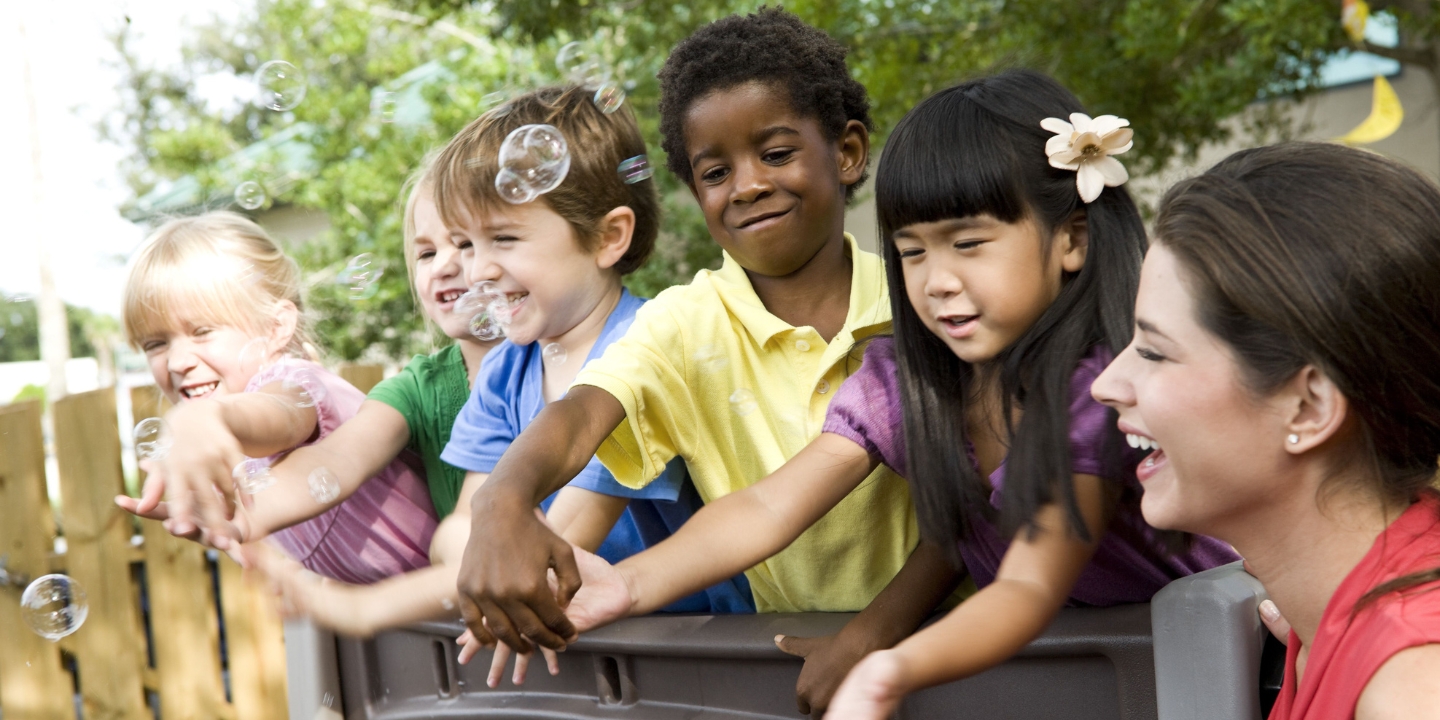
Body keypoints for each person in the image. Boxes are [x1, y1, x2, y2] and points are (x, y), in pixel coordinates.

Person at [545, 70, 1240, 718]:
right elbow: (767, 506)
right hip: (1068, 670)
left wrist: (890, 664)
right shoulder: (908, 381)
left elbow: (1030, 584)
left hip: (1211, 659)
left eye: (969, 243)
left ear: (1071, 239)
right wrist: (627, 585)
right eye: (913, 251)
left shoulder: (1093, 391)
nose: (936, 280)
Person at [455, 10, 958, 712]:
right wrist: (502, 500)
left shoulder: (927, 298)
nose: (747, 185)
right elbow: (578, 417)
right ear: (696, 192)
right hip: (788, 664)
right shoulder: (682, 325)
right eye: (716, 171)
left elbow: (976, 509)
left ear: (846, 151)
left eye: (776, 153)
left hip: (969, 646)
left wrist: (881, 628)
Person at [252, 85, 752, 685]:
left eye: (504, 239)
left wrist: (363, 609)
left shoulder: (642, 348)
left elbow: (560, 545)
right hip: (580, 649)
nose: (476, 269)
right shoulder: (505, 370)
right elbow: (463, 527)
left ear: (607, 237)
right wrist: (480, 558)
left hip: (696, 651)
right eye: (468, 243)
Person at [1091, 142, 1440, 720]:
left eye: (1153, 351)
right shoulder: (1329, 612)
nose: (1106, 382)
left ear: (1307, 407)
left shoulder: (1410, 684)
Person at [117, 211, 437, 584]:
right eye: (156, 344)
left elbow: (276, 413)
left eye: (202, 331)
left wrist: (210, 416)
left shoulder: (294, 383)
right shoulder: (233, 455)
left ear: (276, 327)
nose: (177, 361)